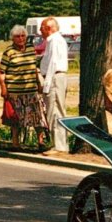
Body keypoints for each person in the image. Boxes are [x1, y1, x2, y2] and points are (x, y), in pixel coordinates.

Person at [0, 25, 48, 151]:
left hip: (31, 90)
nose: (21, 39)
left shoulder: (31, 49)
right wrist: (3, 88)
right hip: (15, 91)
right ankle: (15, 143)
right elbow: (1, 71)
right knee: (16, 118)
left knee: (37, 117)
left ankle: (40, 142)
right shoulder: (9, 52)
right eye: (17, 36)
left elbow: (34, 68)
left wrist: (38, 83)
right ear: (12, 38)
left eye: (23, 36)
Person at [39, 17, 69, 155]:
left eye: (42, 27)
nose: (40, 30)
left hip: (55, 78)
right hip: (55, 77)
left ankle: (59, 146)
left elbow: (53, 63)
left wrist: (47, 83)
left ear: (50, 28)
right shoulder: (53, 40)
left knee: (55, 110)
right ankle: (58, 143)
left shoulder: (54, 40)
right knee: (53, 110)